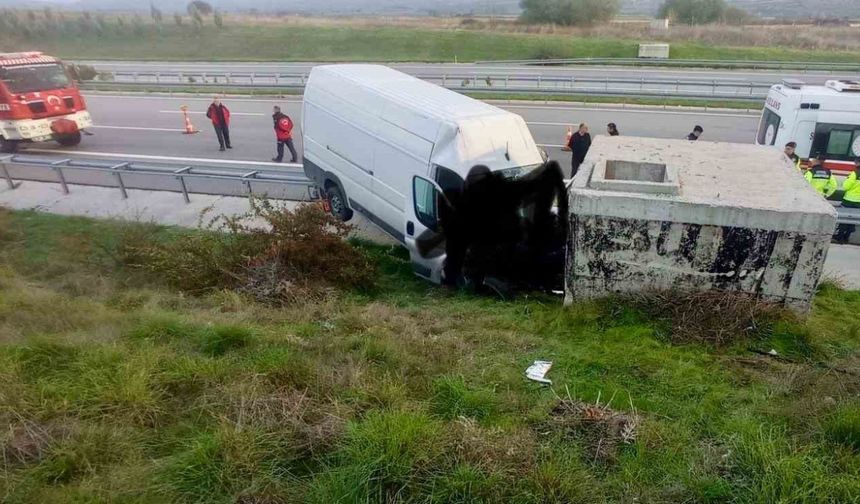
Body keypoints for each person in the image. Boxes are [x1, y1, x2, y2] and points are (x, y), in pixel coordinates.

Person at [834, 157, 860, 243]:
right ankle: (846, 238)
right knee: (852, 221)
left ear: (857, 163)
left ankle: (840, 237)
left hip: (849, 200)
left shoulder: (855, 173)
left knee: (845, 219)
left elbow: (846, 186)